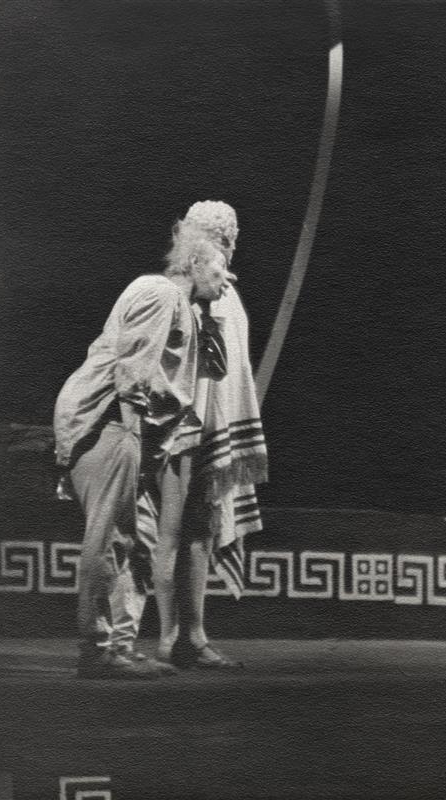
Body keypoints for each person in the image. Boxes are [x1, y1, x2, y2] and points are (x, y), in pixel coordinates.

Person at [53, 231, 233, 679]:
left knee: (143, 539)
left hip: (133, 432)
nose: (227, 278)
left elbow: (212, 370)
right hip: (112, 422)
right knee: (112, 535)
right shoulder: (159, 292)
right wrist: (131, 437)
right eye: (220, 268)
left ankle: (120, 645)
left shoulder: (185, 307)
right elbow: (133, 366)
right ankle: (96, 650)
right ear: (193, 263)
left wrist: (207, 318)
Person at [149, 201, 268, 669]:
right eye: (222, 240)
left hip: (213, 431)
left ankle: (193, 636)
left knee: (201, 528)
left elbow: (230, 371)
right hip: (178, 428)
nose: (228, 250)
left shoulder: (226, 295)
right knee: (171, 531)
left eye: (230, 241)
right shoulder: (170, 293)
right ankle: (167, 636)